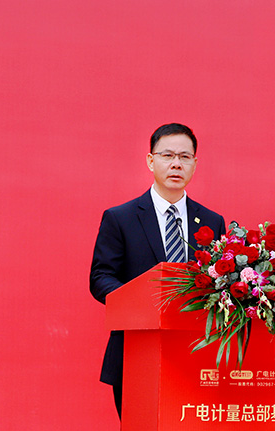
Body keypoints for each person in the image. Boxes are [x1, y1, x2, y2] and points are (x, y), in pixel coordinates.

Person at [89, 123, 226, 419]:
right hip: (135, 351)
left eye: (185, 157)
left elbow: (220, 281)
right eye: (167, 155)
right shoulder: (121, 218)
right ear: (151, 161)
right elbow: (101, 278)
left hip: (196, 354)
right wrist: (140, 303)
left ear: (194, 164)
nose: (176, 164)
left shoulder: (212, 222)